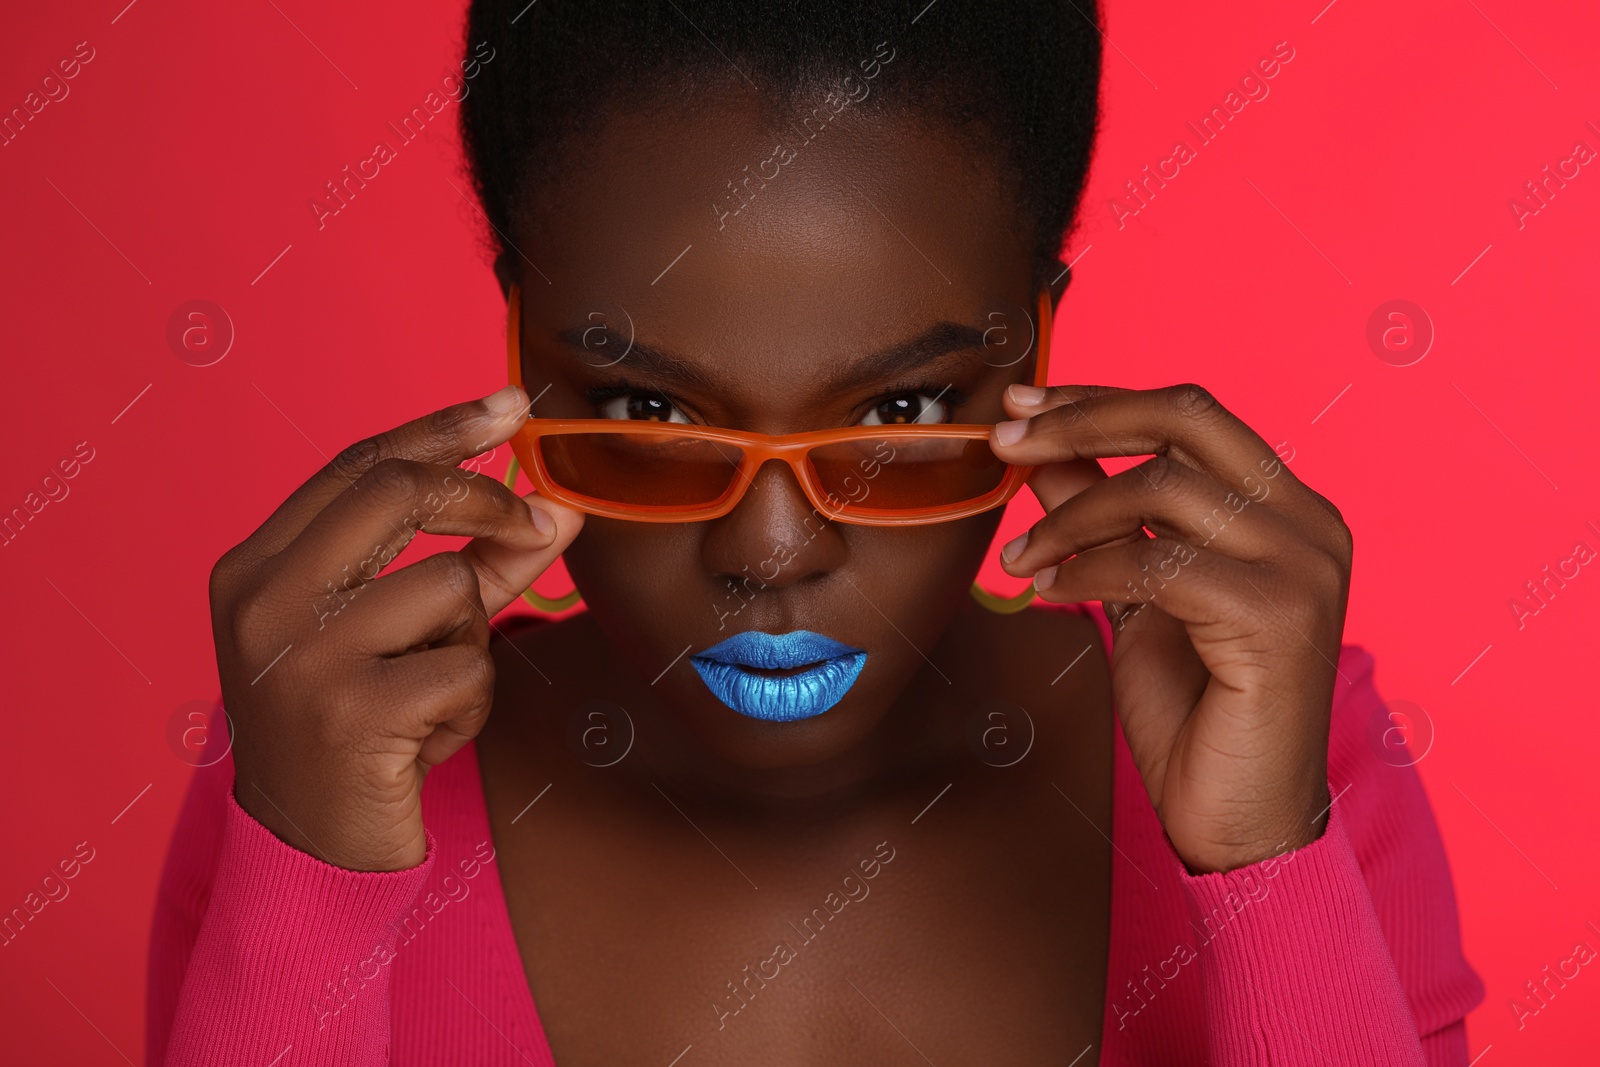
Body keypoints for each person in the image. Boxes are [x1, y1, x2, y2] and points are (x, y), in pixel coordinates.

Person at [147, 1, 1484, 1063]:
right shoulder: (323, 759)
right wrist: (307, 893)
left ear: (1040, 338)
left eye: (902, 406)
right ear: (519, 338)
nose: (770, 552)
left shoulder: (1286, 745)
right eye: (645, 404)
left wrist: (1270, 880)